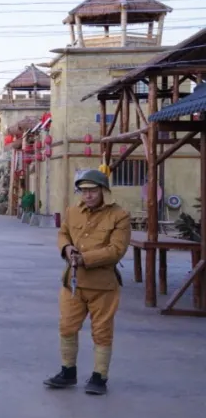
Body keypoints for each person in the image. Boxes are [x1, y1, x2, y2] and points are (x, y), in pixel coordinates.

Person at [44, 169, 131, 396]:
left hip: (102, 285)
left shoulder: (119, 215)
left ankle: (99, 377)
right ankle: (67, 371)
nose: (88, 195)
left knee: (101, 331)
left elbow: (117, 249)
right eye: (83, 191)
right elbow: (63, 233)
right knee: (67, 326)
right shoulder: (73, 212)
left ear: (103, 191)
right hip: (73, 284)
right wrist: (66, 248)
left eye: (92, 190)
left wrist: (85, 259)